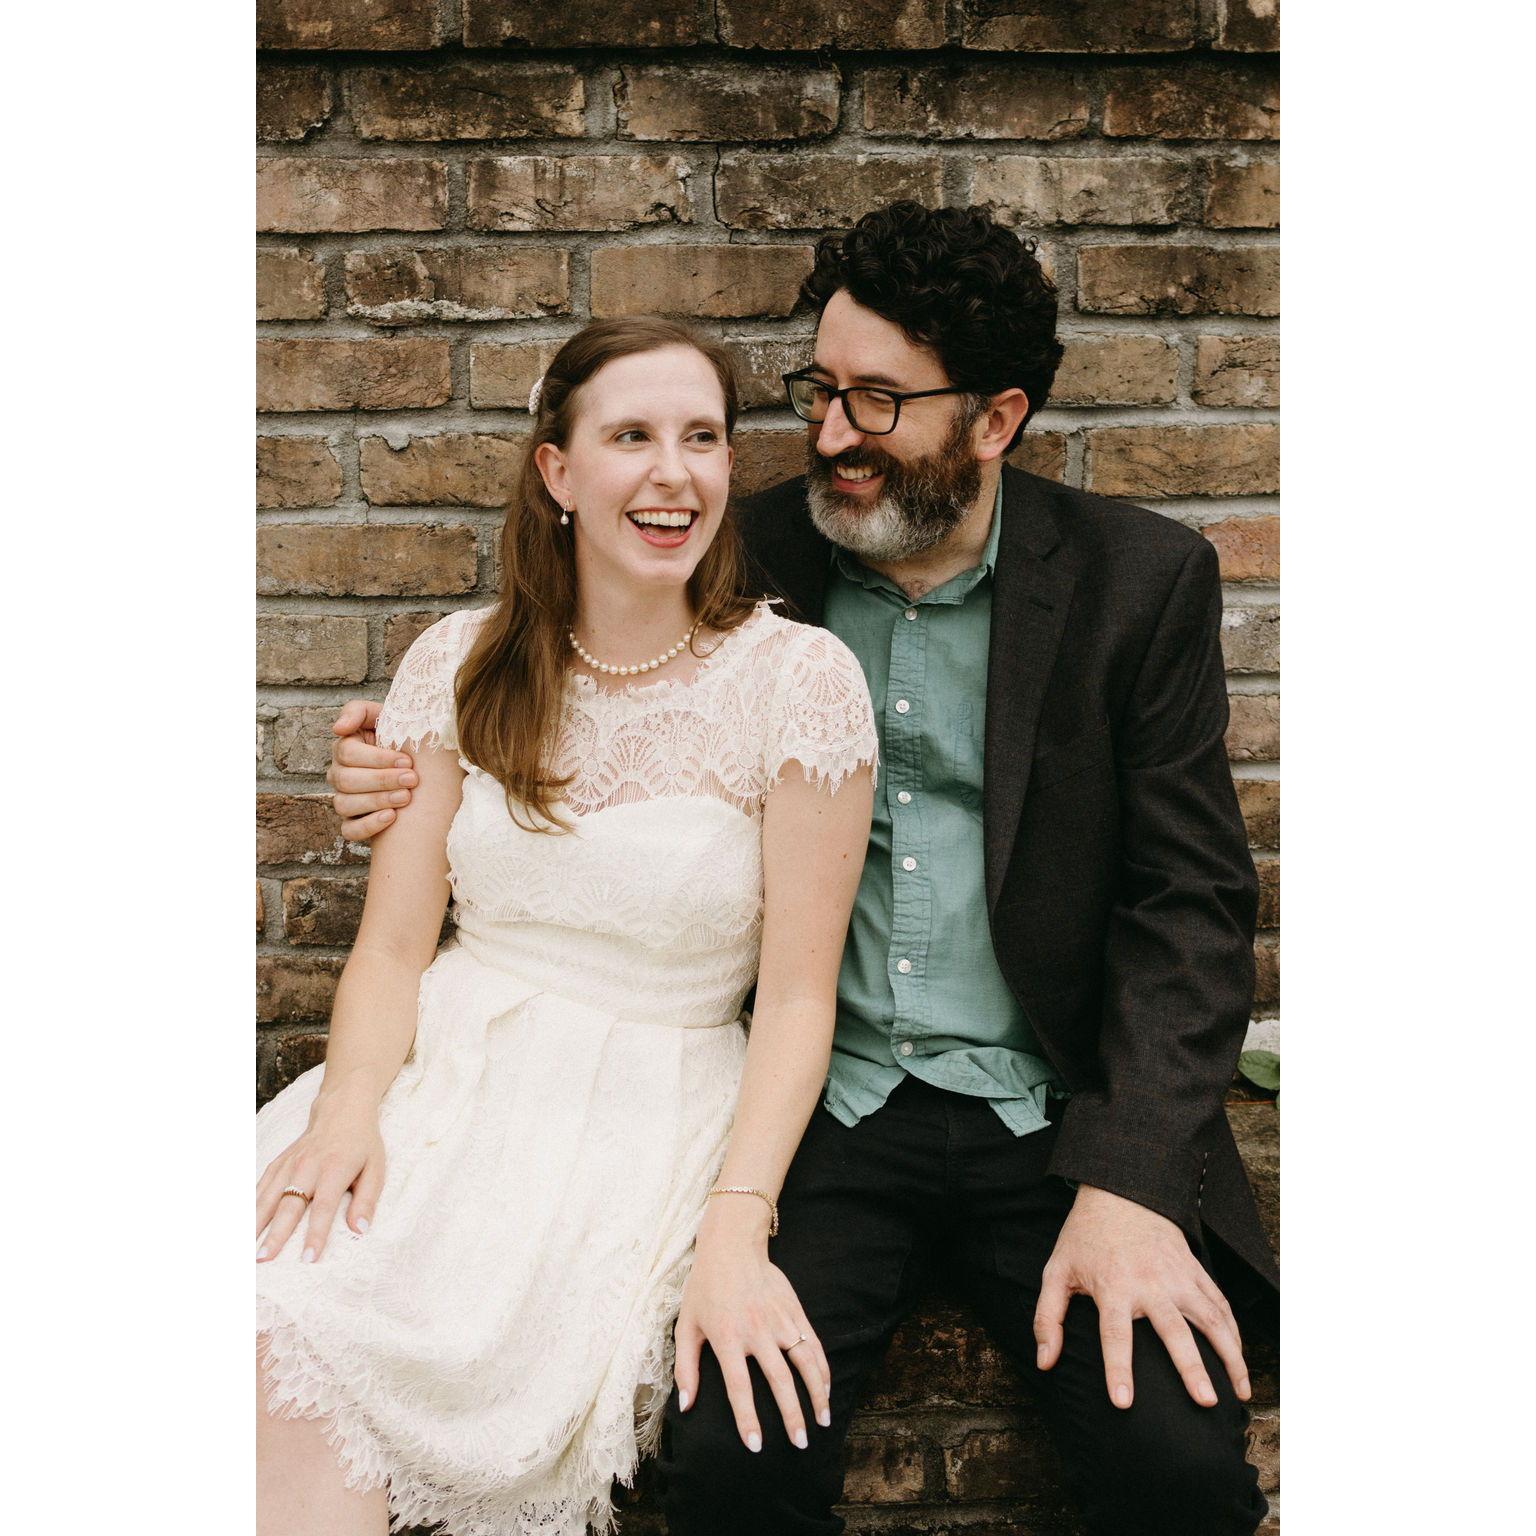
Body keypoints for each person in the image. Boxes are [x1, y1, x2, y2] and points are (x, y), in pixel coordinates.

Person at [327, 203, 1277, 1535]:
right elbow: (561, 682)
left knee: (1178, 1473)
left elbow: (1193, 905)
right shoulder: (737, 551)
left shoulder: (1135, 581)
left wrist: (1127, 1183)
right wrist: (388, 768)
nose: (829, 435)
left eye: (878, 403)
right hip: (819, 1118)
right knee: (731, 1464)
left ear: (994, 422)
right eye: (819, 391)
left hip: (1053, 1121)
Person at [256, 316, 879, 1536]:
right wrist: (346, 1113)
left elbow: (802, 998)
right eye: (631, 436)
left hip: (634, 1118)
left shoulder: (796, 681)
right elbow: (392, 947)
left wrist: (738, 1222)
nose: (674, 473)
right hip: (443, 1073)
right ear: (557, 472)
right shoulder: (463, 660)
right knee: (270, 1310)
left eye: (702, 438)